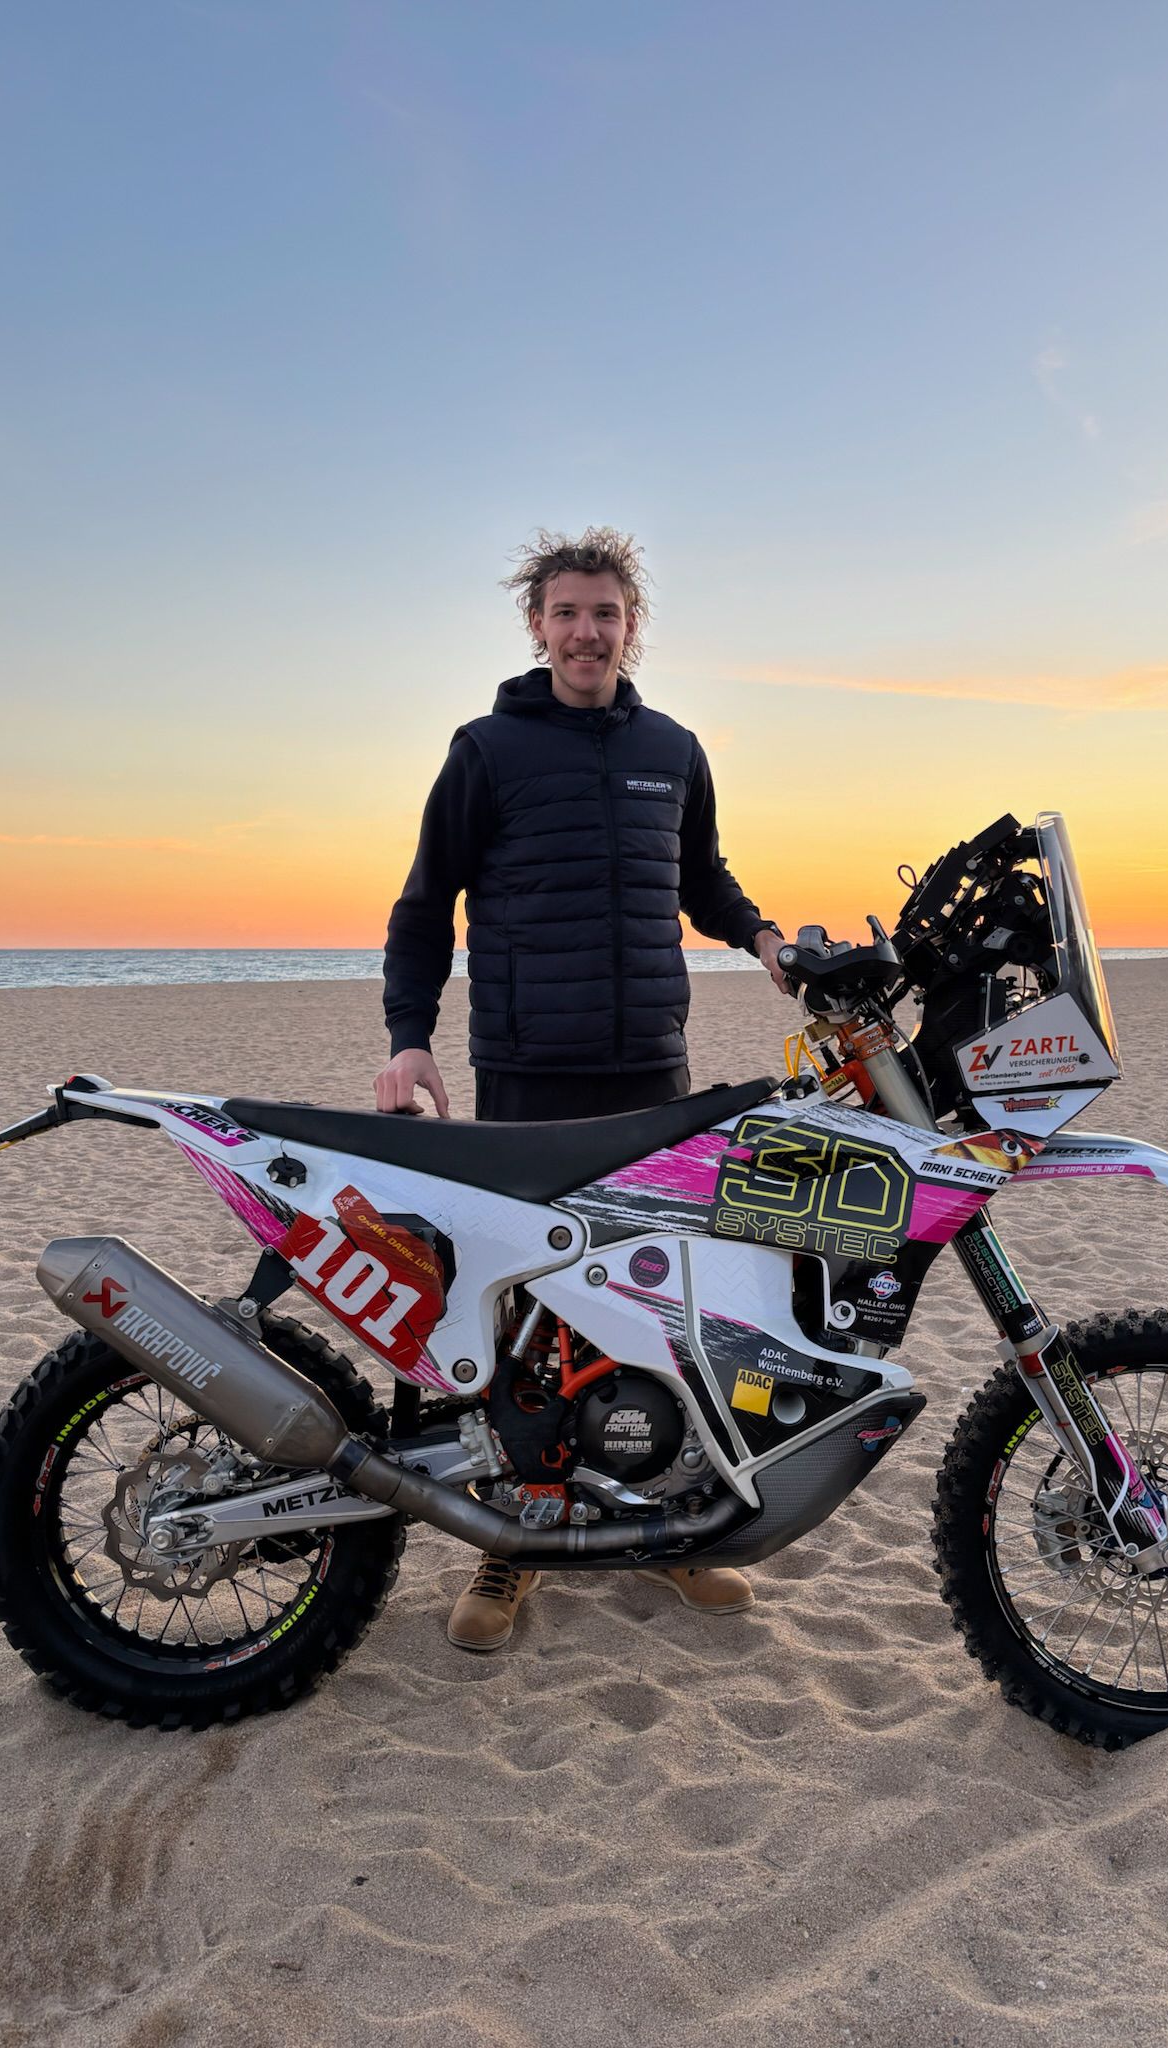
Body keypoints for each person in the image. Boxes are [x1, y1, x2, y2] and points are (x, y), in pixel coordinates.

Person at [374, 527, 789, 1652]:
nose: (586, 632)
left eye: (605, 614)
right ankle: (513, 1539)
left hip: (651, 1063)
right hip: (528, 1070)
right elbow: (425, 905)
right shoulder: (487, 750)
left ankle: (669, 1521)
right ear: (538, 625)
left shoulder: (673, 748)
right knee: (531, 1309)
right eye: (567, 613)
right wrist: (410, 1040)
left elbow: (700, 879)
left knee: (661, 1296)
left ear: (630, 626)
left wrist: (762, 938)